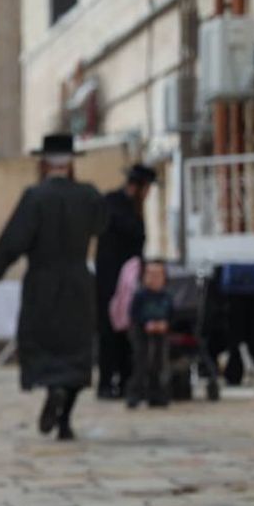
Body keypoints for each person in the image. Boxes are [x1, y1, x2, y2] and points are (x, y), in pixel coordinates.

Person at [0, 133, 106, 440]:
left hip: (43, 284)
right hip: (78, 282)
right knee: (76, 349)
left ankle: (53, 390)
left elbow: (15, 239)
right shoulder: (89, 196)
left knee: (45, 345)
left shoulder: (35, 197)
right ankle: (65, 420)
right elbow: (102, 226)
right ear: (72, 163)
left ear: (43, 163)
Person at [96, 164, 156, 399]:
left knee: (127, 331)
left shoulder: (131, 208)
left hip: (128, 282)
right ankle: (106, 382)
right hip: (110, 281)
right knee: (109, 331)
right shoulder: (113, 204)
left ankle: (125, 380)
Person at [127, 259, 173, 409]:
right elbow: (133, 314)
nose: (153, 279)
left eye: (157, 275)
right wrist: (145, 324)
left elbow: (171, 314)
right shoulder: (140, 295)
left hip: (160, 333)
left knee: (158, 365)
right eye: (150, 275)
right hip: (142, 332)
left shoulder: (166, 296)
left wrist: (164, 324)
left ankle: (157, 395)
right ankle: (135, 394)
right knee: (140, 363)